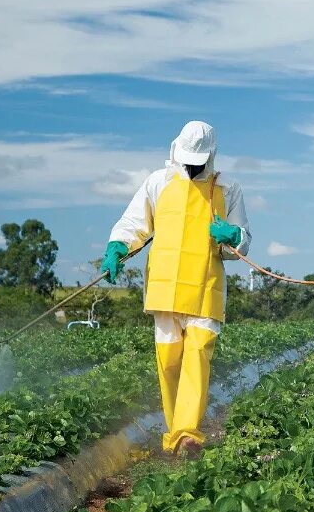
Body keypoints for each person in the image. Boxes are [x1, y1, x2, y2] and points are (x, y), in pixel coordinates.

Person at [100, 120, 251, 458]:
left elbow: (242, 242)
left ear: (211, 155)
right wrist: (117, 248)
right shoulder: (159, 182)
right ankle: (175, 436)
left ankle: (187, 436)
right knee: (168, 361)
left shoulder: (228, 188)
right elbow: (133, 223)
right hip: (164, 287)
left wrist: (232, 236)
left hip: (204, 285)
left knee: (197, 355)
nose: (192, 164)